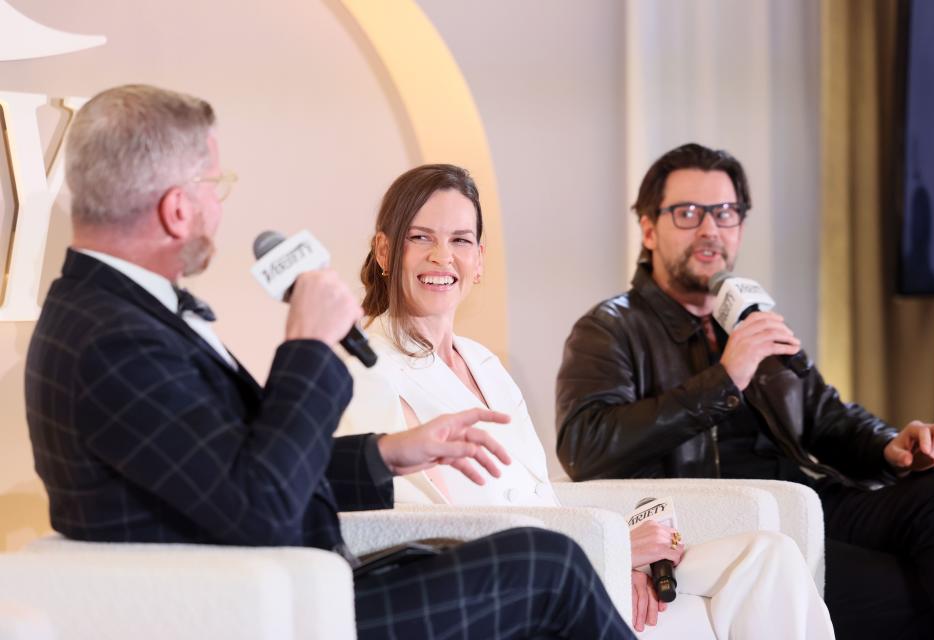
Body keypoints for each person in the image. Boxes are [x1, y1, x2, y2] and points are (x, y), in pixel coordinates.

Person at [24, 84, 637, 640]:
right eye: (215, 186)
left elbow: (239, 469)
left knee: (545, 561)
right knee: (546, 566)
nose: (220, 206)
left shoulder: (115, 314)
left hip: (305, 590)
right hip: (271, 613)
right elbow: (261, 505)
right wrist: (308, 347)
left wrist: (389, 453)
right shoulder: (113, 339)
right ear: (177, 208)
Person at [336, 163, 835, 638]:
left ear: (480, 260)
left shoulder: (483, 363)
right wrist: (609, 550)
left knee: (769, 557)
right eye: (420, 237)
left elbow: (540, 497)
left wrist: (625, 559)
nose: (442, 257)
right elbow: (418, 531)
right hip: (517, 585)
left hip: (578, 559)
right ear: (384, 251)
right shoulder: (368, 369)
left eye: (460, 240)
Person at [555, 142, 934, 640]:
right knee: (906, 589)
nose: (710, 230)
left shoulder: (748, 314)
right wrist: (726, 379)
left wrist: (889, 445)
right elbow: (586, 446)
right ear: (648, 229)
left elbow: (825, 416)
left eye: (725, 213)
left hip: (809, 498)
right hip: (725, 518)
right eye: (687, 213)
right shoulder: (609, 328)